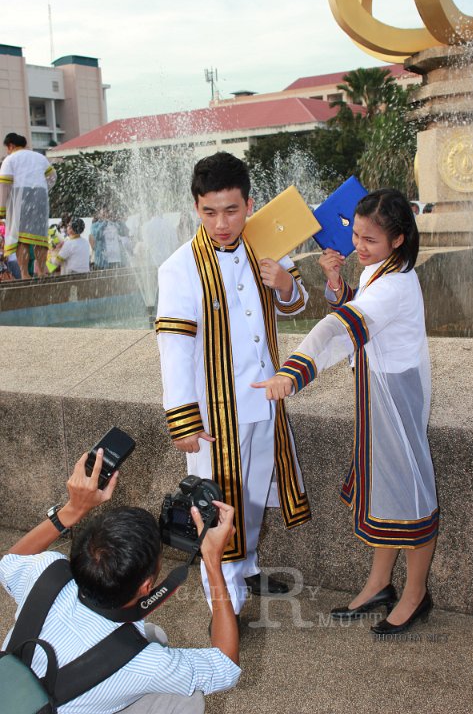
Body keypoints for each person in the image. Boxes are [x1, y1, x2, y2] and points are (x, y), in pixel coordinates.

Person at [253, 188, 438, 635]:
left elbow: (344, 327)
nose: (358, 246)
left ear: (398, 239)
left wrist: (293, 372)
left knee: (410, 494)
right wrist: (338, 285)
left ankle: (415, 595)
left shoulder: (394, 283)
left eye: (369, 240)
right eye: (355, 234)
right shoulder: (383, 269)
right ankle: (379, 584)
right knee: (385, 489)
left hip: (395, 394)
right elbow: (358, 307)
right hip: (378, 388)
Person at [156, 152, 311, 616]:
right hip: (215, 413)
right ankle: (221, 603)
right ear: (196, 208)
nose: (221, 223)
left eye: (231, 210)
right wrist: (182, 418)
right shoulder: (179, 267)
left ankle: (246, 568)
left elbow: (295, 304)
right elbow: (174, 349)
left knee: (255, 493)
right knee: (218, 503)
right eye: (209, 211)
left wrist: (285, 283)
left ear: (249, 204)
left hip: (265, 399)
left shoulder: (264, 241)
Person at [0, 448, 240, 714]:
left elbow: (10, 561)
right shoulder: (146, 662)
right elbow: (226, 666)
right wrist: (213, 563)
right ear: (147, 587)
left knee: (153, 635)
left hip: (11, 693)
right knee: (187, 698)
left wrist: (72, 510)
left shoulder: (46, 571)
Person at [0, 132, 57, 279]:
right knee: (40, 237)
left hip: (20, 197)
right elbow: (52, 177)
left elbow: (4, 185)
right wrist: (43, 190)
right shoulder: (39, 157)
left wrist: (1, 209)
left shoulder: (10, 159)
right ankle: (42, 272)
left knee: (22, 238)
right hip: (41, 196)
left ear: (11, 145)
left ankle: (25, 274)